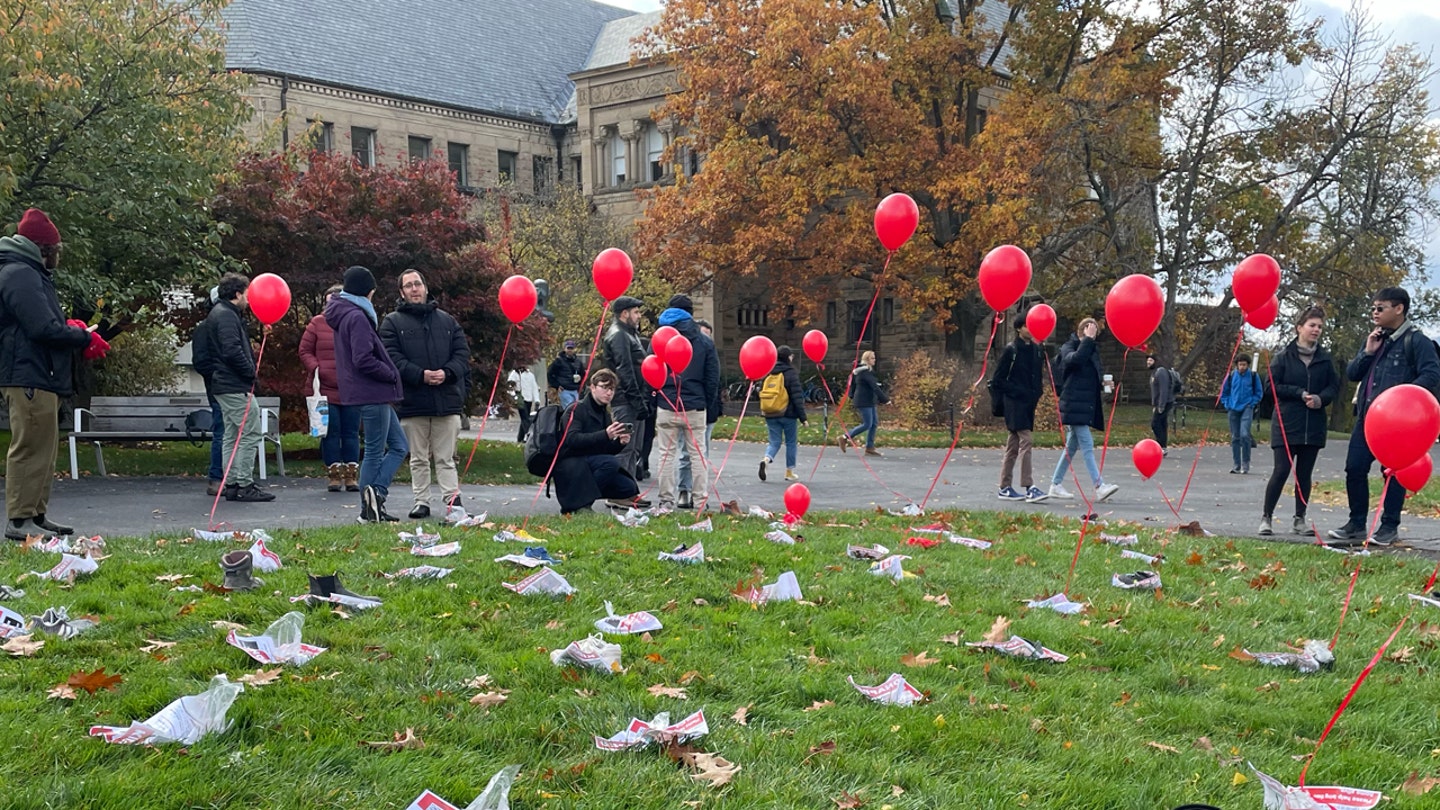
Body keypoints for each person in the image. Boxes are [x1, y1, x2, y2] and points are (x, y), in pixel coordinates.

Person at [0, 208, 103, 540]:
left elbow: (41, 324)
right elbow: (42, 328)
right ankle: (19, 521)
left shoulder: (26, 272)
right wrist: (82, 336)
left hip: (37, 373)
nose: (58, 255)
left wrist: (69, 328)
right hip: (29, 374)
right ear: (43, 249)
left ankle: (36, 515)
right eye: (56, 250)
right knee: (29, 447)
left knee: (43, 449)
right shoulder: (20, 274)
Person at [1328, 287, 1440, 546]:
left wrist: (1404, 397)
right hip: (1368, 418)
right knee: (1354, 467)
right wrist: (1368, 352)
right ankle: (1356, 524)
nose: (1374, 313)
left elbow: (1432, 375)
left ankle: (1389, 526)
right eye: (1373, 308)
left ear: (1399, 309)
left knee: (1394, 472)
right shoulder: (1375, 339)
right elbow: (1354, 374)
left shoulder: (1417, 341)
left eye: (1381, 308)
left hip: (1399, 424)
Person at [380, 270, 471, 520]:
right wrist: (421, 375)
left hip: (447, 401)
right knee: (418, 458)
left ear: (426, 287)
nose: (414, 289)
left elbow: (462, 355)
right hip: (412, 402)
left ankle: (453, 501)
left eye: (417, 283)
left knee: (446, 457)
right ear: (401, 292)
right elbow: (391, 358)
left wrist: (447, 372)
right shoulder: (392, 323)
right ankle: (421, 501)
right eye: (408, 285)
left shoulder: (448, 322)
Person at [326, 265, 408, 523]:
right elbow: (362, 358)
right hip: (372, 390)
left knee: (400, 446)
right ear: (367, 291)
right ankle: (369, 507)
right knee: (375, 450)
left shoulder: (345, 313)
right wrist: (391, 373)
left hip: (368, 391)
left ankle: (376, 498)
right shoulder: (357, 317)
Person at [1260, 306, 1339, 537]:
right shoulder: (1283, 357)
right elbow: (1270, 387)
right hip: (1286, 423)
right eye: (1312, 325)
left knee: (1304, 474)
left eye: (1320, 327)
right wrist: (1298, 393)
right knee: (1282, 470)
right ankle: (1266, 517)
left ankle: (1299, 519)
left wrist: (1320, 399)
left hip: (1313, 425)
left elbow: (1334, 387)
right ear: (1299, 328)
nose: (1316, 330)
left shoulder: (1325, 359)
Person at [204, 273, 274, 503]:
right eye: (247, 293)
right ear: (237, 294)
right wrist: (250, 373)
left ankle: (232, 483)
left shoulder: (224, 313)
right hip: (234, 383)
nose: (250, 299)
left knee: (232, 435)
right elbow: (231, 349)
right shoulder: (226, 316)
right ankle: (244, 483)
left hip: (225, 383)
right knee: (250, 432)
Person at [653, 295, 720, 512]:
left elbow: (650, 369)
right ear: (690, 314)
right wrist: (708, 404)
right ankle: (700, 501)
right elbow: (712, 378)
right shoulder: (704, 342)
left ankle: (666, 501)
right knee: (698, 454)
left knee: (666, 455)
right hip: (695, 405)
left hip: (666, 403)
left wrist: (656, 395)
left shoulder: (658, 338)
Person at [551, 369, 648, 514]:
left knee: (627, 487)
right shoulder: (577, 409)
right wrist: (605, 434)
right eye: (604, 387)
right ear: (593, 387)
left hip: (591, 460)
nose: (609, 393)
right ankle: (579, 504)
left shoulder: (604, 413)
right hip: (571, 462)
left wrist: (619, 443)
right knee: (610, 464)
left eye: (612, 389)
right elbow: (571, 440)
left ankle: (584, 499)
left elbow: (605, 449)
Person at [1047, 318, 1119, 502]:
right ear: (1084, 330)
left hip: (1084, 404)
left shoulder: (1091, 349)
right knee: (1087, 443)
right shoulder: (1068, 347)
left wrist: (1104, 382)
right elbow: (1075, 361)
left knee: (1072, 447)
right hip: (1073, 403)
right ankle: (1099, 485)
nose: (1094, 336)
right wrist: (1087, 340)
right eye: (1092, 332)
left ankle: (1055, 484)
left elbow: (1092, 372)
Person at [300, 284, 360, 493]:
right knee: (330, 432)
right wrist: (317, 368)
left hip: (351, 388)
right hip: (324, 389)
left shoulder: (355, 322)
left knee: (351, 432)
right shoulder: (317, 323)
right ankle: (333, 474)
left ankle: (351, 474)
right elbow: (304, 350)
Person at [991, 319, 1044, 501]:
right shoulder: (1011, 350)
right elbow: (998, 380)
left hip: (1029, 402)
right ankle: (1029, 486)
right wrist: (1018, 391)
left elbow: (1037, 375)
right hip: (1014, 402)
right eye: (1027, 326)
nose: (1030, 329)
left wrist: (1037, 393)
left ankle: (1004, 487)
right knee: (1026, 440)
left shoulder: (1037, 350)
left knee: (1012, 446)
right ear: (1019, 329)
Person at [601, 295, 649, 479]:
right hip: (625, 401)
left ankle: (627, 491)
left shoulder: (630, 334)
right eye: (636, 312)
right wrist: (638, 401)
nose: (639, 316)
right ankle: (618, 492)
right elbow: (624, 370)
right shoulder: (619, 335)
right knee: (625, 447)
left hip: (633, 401)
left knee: (634, 449)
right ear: (624, 313)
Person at [677, 318, 721, 509]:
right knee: (687, 453)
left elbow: (714, 381)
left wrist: (711, 406)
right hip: (688, 407)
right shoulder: (685, 351)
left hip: (706, 409)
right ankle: (684, 490)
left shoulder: (709, 352)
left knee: (702, 453)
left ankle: (698, 492)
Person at [191, 285, 230, 496]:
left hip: (224, 384)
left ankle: (227, 477)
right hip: (219, 386)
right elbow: (201, 361)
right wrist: (218, 376)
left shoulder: (220, 325)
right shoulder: (207, 328)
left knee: (226, 430)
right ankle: (217, 477)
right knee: (222, 430)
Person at [760, 344, 807, 483]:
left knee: (774, 441)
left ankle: (766, 459)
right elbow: (797, 397)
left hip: (771, 412)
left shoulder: (770, 371)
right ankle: (789, 471)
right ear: (788, 357)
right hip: (788, 413)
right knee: (791, 442)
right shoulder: (791, 373)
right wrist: (803, 418)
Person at [839, 350, 890, 457]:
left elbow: (854, 385)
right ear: (867, 360)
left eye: (874, 357)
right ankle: (845, 437)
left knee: (874, 423)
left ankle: (869, 447)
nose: (874, 360)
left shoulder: (866, 371)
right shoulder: (864, 372)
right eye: (872, 358)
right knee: (867, 424)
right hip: (864, 401)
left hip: (870, 401)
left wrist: (852, 395)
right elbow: (874, 387)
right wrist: (885, 399)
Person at [1220, 356, 1263, 473]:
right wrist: (1227, 404)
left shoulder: (1253, 376)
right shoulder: (1231, 376)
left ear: (1248, 365)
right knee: (1235, 437)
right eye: (1240, 365)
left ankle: (1246, 463)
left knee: (1245, 435)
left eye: (1244, 365)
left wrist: (1252, 403)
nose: (1242, 367)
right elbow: (1224, 392)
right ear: (1236, 365)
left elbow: (1259, 392)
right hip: (1233, 408)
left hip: (1247, 407)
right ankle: (1236, 464)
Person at [1147, 354, 1174, 456]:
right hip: (1160, 403)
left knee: (1155, 424)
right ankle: (1163, 447)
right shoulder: (1154, 373)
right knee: (1162, 424)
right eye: (1148, 361)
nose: (1148, 362)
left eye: (1150, 360)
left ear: (1156, 361)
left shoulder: (1161, 372)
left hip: (1165, 402)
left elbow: (1163, 390)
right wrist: (1155, 405)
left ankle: (1160, 445)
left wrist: (1161, 406)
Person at [508, 365, 541, 443]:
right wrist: (514, 395)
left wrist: (537, 400)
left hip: (528, 399)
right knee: (525, 417)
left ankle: (520, 438)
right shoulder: (514, 374)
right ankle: (529, 435)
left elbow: (534, 387)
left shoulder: (530, 375)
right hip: (520, 399)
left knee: (525, 418)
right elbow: (509, 386)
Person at [548, 339, 585, 408]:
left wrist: (580, 382)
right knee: (569, 409)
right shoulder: (558, 361)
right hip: (564, 390)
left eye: (571, 348)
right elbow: (550, 374)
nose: (570, 350)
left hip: (575, 390)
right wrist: (556, 386)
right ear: (565, 349)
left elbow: (583, 374)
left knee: (575, 410)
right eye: (568, 348)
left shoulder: (578, 362)